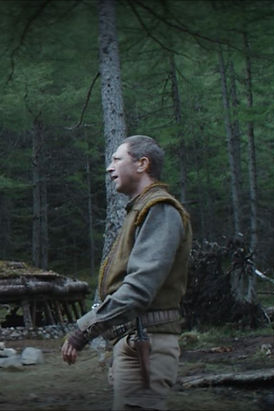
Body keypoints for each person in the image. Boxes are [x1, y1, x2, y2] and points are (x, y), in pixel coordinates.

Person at [61, 135, 192, 410]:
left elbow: (139, 290)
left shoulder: (160, 210)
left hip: (146, 344)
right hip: (136, 340)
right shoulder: (141, 210)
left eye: (117, 159)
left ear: (142, 164)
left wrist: (84, 329)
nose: (110, 167)